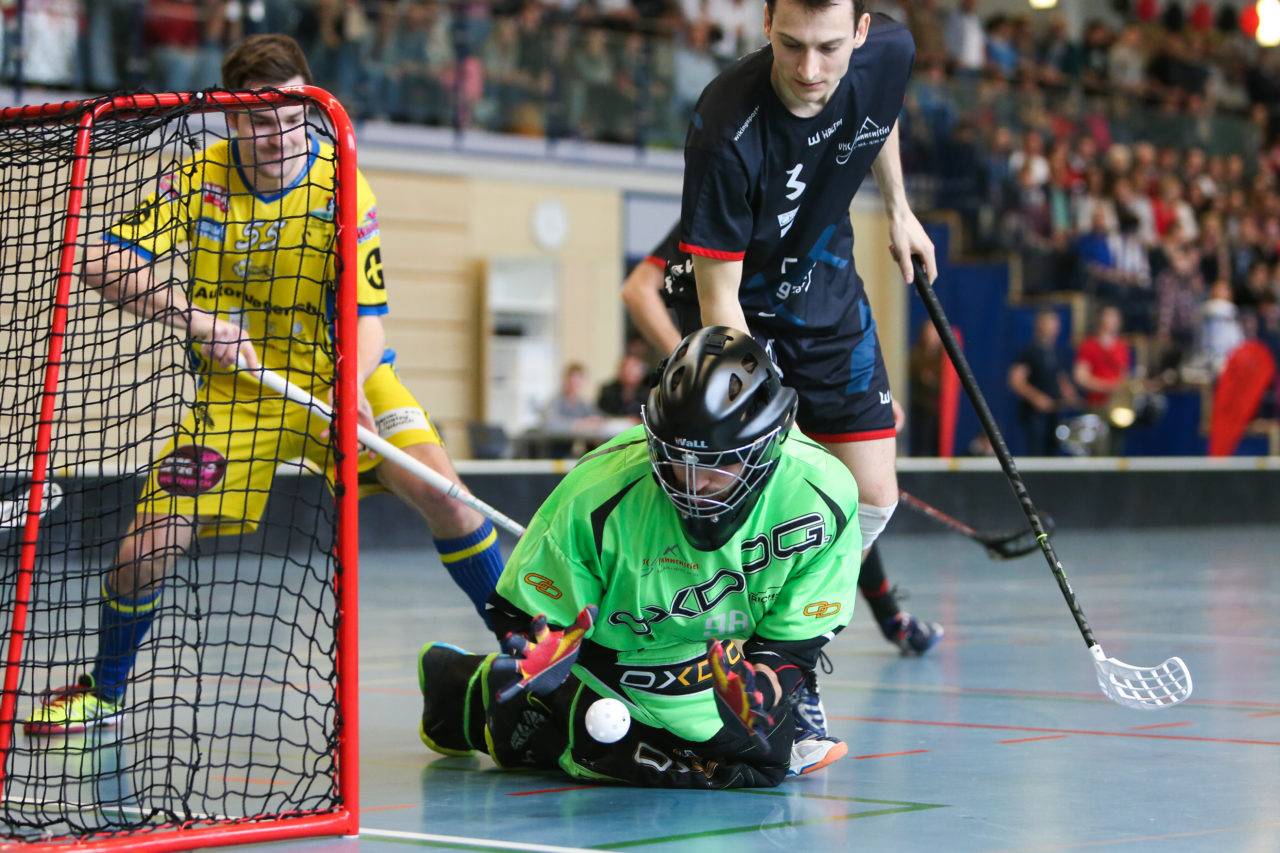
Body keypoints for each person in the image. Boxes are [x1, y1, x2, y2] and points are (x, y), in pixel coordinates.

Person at [25, 34, 504, 735]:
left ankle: (528, 647)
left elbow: (370, 318)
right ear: (229, 118)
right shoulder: (199, 178)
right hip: (234, 398)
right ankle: (104, 689)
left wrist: (349, 390)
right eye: (257, 119)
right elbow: (99, 259)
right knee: (143, 549)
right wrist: (191, 317)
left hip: (345, 376)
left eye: (289, 117)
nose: (277, 135)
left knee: (446, 496)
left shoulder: (342, 178)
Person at [417, 327, 860, 786]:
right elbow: (523, 612)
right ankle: (487, 698)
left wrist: (762, 692)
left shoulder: (823, 495)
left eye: (717, 464)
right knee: (697, 764)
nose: (692, 483)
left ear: (766, 443)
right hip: (613, 655)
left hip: (719, 659)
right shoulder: (594, 495)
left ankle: (477, 695)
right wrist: (541, 652)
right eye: (676, 459)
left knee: (761, 762)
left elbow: (792, 641)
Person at [653, 1, 943, 662]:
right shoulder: (725, 124)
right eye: (790, 46)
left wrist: (899, 208)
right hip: (748, 316)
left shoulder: (889, 52)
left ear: (862, 33)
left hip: (829, 288)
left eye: (830, 49)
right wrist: (756, 404)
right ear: (764, 24)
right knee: (754, 496)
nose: (810, 69)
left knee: (872, 495)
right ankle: (760, 663)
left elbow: (881, 110)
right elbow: (718, 297)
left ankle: (783, 652)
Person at [622, 224, 942, 659]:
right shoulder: (719, 213)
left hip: (801, 380)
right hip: (743, 405)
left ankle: (880, 621)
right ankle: (779, 655)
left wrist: (868, 403)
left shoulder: (814, 221)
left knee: (841, 505)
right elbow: (638, 290)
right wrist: (700, 368)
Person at [1007, 308, 1080, 456]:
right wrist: (1036, 398)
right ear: (1039, 324)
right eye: (1049, 322)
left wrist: (1069, 393)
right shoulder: (1029, 351)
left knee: (1053, 451)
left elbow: (1059, 376)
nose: (1053, 327)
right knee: (1036, 452)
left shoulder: (1056, 352)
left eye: (1055, 323)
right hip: (1034, 416)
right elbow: (1016, 380)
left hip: (1054, 414)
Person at [1073, 304, 1132, 455]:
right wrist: (1107, 386)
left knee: (1115, 448)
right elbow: (1081, 376)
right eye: (1109, 316)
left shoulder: (1121, 346)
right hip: (1097, 405)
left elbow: (1123, 375)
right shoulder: (1089, 345)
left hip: (1117, 407)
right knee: (1099, 450)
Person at [596, 352, 649, 421]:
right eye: (625, 368)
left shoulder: (647, 393)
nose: (628, 372)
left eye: (632, 369)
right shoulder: (608, 391)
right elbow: (601, 415)